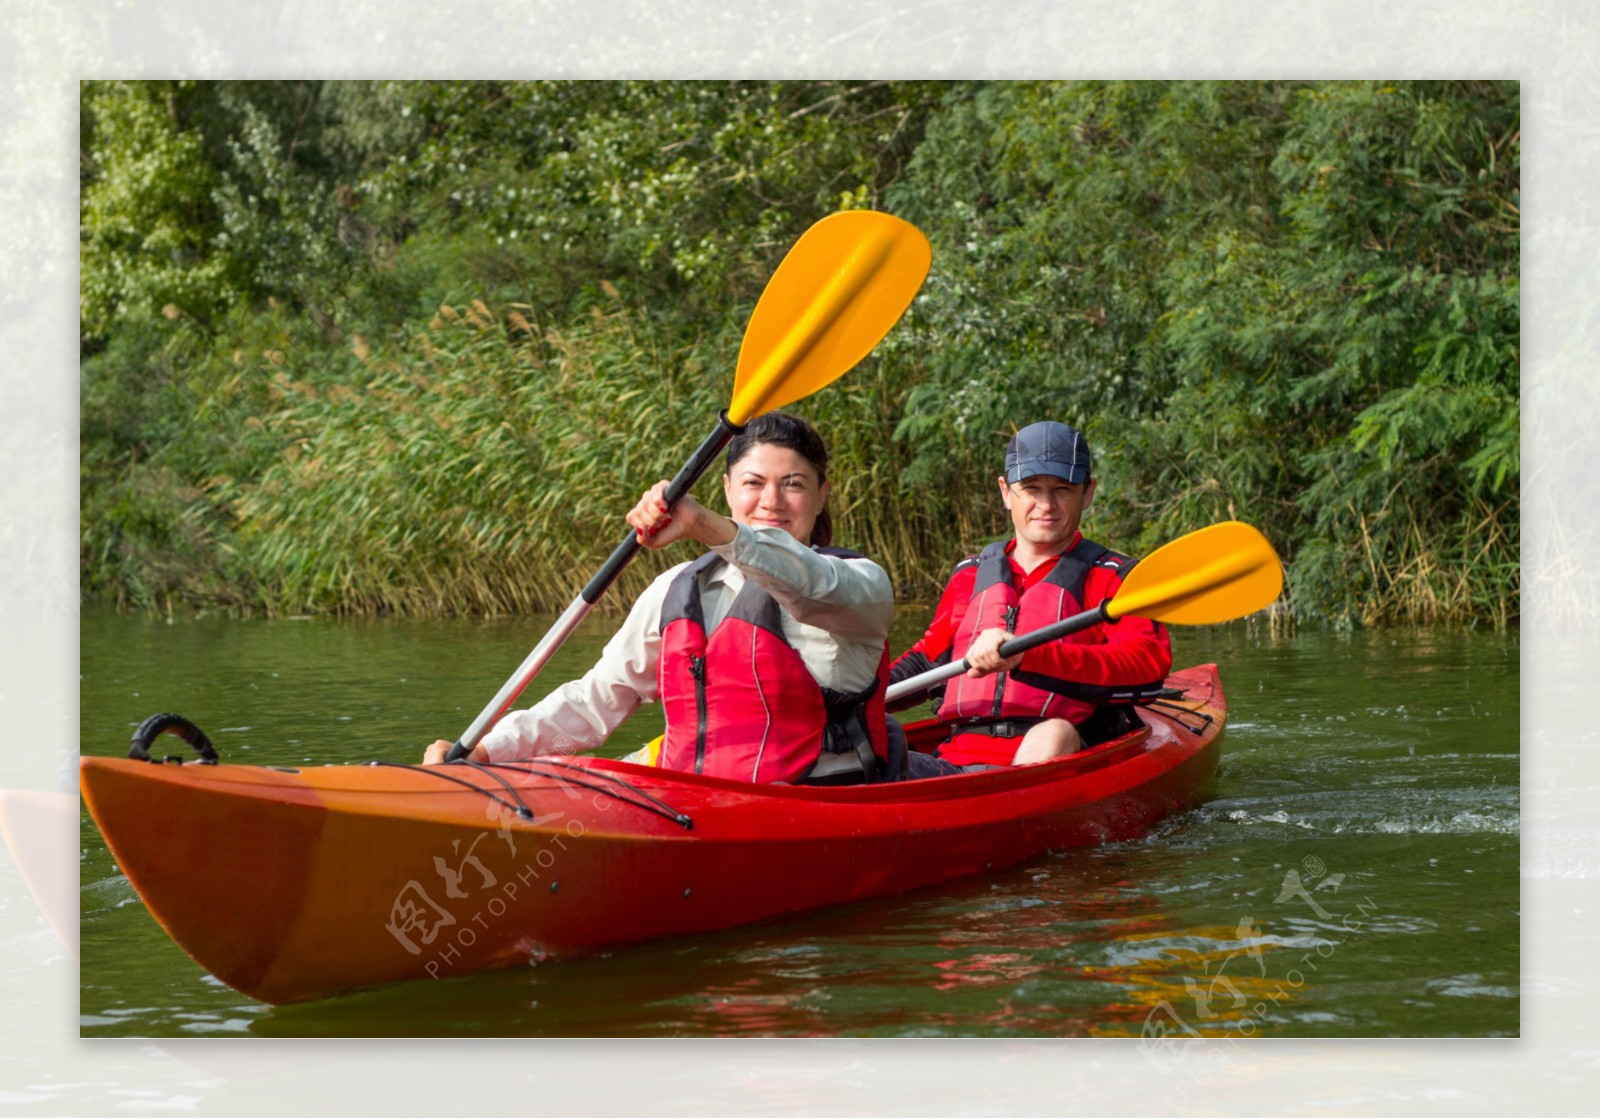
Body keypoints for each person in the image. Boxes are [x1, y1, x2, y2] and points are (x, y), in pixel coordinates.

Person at [423, 412, 897, 785]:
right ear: (728, 489)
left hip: (815, 804)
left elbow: (807, 583)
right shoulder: (677, 589)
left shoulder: (858, 585)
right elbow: (596, 701)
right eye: (753, 483)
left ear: (821, 496)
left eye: (793, 484)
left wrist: (701, 524)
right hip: (685, 802)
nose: (771, 501)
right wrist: (487, 750)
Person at [889, 420, 1172, 774]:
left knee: (1053, 733)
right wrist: (850, 695)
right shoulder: (971, 575)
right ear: (1006, 492)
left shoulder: (1117, 578)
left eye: (1064, 489)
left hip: (1062, 753)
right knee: (878, 740)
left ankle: (1006, 810)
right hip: (954, 761)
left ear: (1088, 493)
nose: (1046, 504)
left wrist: (1029, 655)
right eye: (1032, 488)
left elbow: (1145, 671)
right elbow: (926, 662)